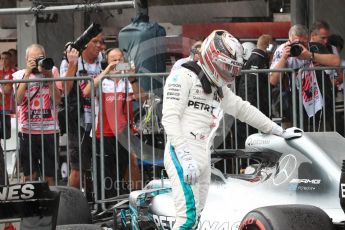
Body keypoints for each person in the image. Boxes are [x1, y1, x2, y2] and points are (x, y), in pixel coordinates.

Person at [162, 30, 300, 230]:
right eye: (227, 65)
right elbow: (170, 118)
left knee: (196, 217)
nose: (230, 72)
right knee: (187, 220)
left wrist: (278, 130)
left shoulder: (218, 87)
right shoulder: (182, 76)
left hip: (202, 151)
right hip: (181, 151)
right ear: (212, 57)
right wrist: (184, 154)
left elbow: (243, 109)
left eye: (233, 67)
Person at [83, 48, 145, 197]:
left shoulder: (128, 82)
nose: (117, 63)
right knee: (105, 171)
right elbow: (86, 92)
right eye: (114, 61)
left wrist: (133, 78)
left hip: (124, 134)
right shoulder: (102, 81)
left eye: (120, 60)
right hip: (103, 133)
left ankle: (132, 201)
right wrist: (106, 71)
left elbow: (142, 98)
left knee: (128, 166)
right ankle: (106, 203)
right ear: (106, 63)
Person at [270, 24, 340, 131]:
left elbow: (336, 61)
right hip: (294, 107)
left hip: (320, 106)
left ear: (308, 39)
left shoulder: (314, 47)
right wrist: (284, 58)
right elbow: (273, 80)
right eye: (296, 43)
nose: (300, 46)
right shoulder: (282, 50)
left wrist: (310, 55)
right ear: (289, 40)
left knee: (322, 138)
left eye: (303, 43)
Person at [13, 44, 61, 186]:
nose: (37, 62)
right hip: (28, 131)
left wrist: (49, 76)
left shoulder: (53, 71)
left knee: (50, 177)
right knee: (29, 177)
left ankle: (50, 207)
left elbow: (57, 100)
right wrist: (27, 74)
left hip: (49, 131)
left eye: (40, 58)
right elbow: (18, 100)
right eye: (33, 59)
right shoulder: (19, 75)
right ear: (26, 59)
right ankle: (30, 207)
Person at [60, 33, 104, 189]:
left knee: (103, 165)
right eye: (95, 41)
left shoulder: (103, 60)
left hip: (102, 121)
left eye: (101, 42)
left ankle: (101, 203)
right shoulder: (69, 61)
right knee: (78, 168)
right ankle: (72, 206)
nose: (100, 45)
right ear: (85, 44)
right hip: (79, 120)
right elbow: (65, 89)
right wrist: (73, 64)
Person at [236, 34, 275, 148]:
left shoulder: (256, 58)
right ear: (269, 47)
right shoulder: (257, 59)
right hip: (253, 109)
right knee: (252, 141)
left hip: (252, 108)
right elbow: (250, 86)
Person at [0, 51, 15, 186]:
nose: (4, 61)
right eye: (2, 58)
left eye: (6, 58)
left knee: (6, 136)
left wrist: (3, 88)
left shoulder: (12, 73)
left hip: (6, 110)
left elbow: (8, 90)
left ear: (10, 60)